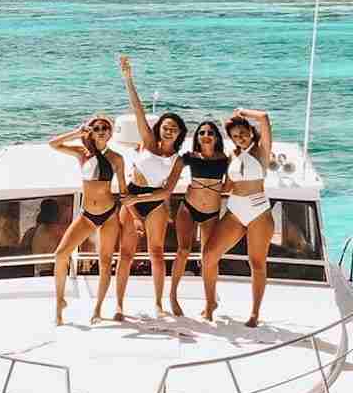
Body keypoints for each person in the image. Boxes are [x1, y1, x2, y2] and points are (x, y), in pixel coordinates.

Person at [132, 119, 229, 316]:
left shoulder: (225, 160)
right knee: (182, 251)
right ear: (197, 138)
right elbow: (169, 177)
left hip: (211, 213)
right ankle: (172, 297)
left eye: (210, 132)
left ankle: (210, 302)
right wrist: (142, 157)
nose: (205, 136)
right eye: (201, 133)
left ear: (216, 137)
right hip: (188, 208)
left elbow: (230, 185)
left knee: (209, 258)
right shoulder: (188, 157)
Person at [114, 55, 185, 319]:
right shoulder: (147, 142)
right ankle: (119, 304)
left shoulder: (177, 159)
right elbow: (138, 110)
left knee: (157, 253)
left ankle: (158, 303)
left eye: (174, 129)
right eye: (166, 127)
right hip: (133, 193)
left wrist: (137, 203)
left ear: (179, 133)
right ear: (159, 129)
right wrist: (128, 79)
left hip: (154, 202)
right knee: (126, 254)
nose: (169, 131)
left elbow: (167, 192)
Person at [47, 117, 128, 324]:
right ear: (90, 132)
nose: (101, 131)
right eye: (96, 128)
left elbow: (124, 192)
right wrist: (77, 133)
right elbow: (53, 144)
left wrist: (133, 217)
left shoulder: (117, 159)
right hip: (87, 214)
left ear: (110, 133)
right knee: (61, 254)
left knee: (105, 262)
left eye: (105, 128)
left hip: (109, 214)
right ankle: (59, 301)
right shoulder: (82, 153)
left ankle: (98, 308)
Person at [201, 108, 274, 327]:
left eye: (243, 133)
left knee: (257, 263)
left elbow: (264, 118)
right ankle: (210, 303)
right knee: (209, 256)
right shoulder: (232, 155)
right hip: (235, 210)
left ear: (251, 132)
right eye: (234, 135)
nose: (239, 137)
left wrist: (242, 112)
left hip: (259, 212)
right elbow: (228, 186)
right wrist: (203, 185)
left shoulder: (262, 150)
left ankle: (254, 313)